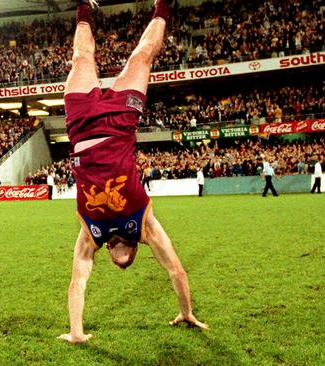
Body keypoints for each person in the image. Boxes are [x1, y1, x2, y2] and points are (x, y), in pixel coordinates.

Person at [58, 0, 207, 345]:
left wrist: (78, 332)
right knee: (138, 58)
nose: (118, 255)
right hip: (120, 123)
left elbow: (80, 280)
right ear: (135, 249)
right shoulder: (143, 224)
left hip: (81, 126)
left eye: (115, 257)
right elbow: (176, 270)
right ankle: (163, 6)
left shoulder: (91, 232)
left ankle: (85, 8)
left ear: (107, 252)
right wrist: (185, 311)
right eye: (123, 258)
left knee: (87, 59)